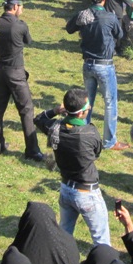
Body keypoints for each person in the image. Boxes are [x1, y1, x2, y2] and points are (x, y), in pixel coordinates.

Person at [34, 88, 110, 246]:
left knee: (63, 237)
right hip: (87, 192)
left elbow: (39, 118)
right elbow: (97, 153)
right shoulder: (90, 133)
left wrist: (55, 110)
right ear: (82, 113)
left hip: (66, 188)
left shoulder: (54, 128)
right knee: (101, 241)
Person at [65, 0, 129, 150]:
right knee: (110, 103)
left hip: (88, 64)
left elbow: (69, 28)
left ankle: (82, 137)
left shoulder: (83, 14)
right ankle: (109, 141)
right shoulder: (109, 16)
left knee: (86, 104)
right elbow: (120, 34)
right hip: (105, 65)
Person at [0, 0, 43, 160]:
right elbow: (29, 41)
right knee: (27, 110)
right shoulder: (20, 25)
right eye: (22, 6)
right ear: (16, 6)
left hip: (1, 70)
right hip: (16, 72)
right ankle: (32, 150)